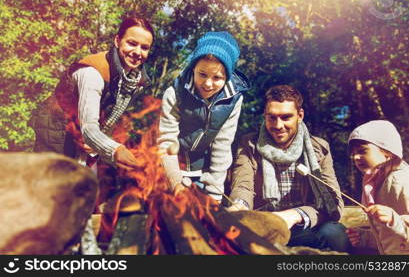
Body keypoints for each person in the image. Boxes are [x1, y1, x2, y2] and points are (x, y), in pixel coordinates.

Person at [30, 16, 155, 201]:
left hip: (84, 133)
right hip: (57, 130)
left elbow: (111, 115)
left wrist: (101, 144)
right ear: (117, 40)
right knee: (50, 194)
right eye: (132, 43)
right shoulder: (93, 73)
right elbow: (89, 128)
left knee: (82, 193)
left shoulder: (137, 81)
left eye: (144, 47)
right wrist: (115, 150)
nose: (137, 52)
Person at [228, 85, 349, 252]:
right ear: (265, 115)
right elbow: (243, 185)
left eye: (286, 117)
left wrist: (294, 215)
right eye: (272, 118)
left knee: (335, 234)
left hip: (304, 226)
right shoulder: (248, 145)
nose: (278, 125)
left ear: (300, 115)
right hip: (264, 226)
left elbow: (334, 203)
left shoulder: (319, 149)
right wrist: (239, 205)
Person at [158, 31, 250, 202]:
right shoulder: (174, 93)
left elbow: (222, 146)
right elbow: (167, 142)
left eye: (217, 77)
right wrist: (176, 183)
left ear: (227, 77)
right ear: (193, 68)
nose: (208, 84)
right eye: (202, 74)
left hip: (204, 172)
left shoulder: (234, 100)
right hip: (171, 167)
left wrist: (215, 194)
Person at [346, 120, 409, 254]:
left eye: (362, 151)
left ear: (387, 152)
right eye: (353, 154)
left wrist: (394, 220)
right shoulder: (377, 184)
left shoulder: (403, 181)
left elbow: (400, 228)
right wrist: (366, 238)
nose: (356, 157)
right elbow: (392, 236)